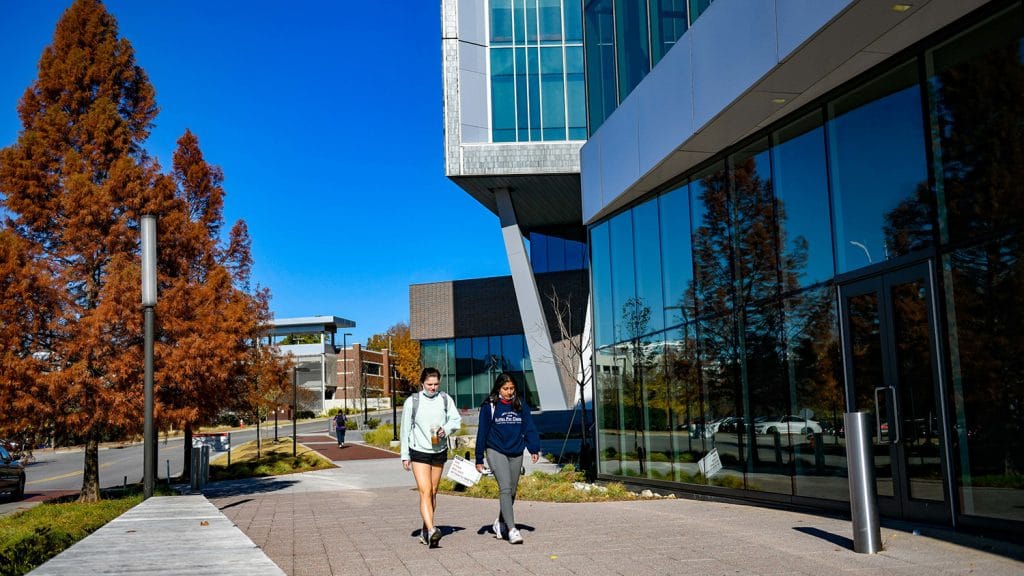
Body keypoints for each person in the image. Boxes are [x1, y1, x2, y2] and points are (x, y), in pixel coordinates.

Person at [475, 373, 540, 545]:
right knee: (505, 487)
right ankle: (512, 529)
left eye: (512, 388)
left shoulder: (520, 405)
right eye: (505, 389)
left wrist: (533, 447)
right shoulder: (490, 406)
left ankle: (499, 522)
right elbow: (482, 431)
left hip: (516, 451)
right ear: (498, 388)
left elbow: (529, 427)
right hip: (495, 449)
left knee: (511, 491)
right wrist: (479, 457)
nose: (509, 392)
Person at [401, 367, 461, 548]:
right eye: (429, 384)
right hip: (419, 450)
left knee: (433, 492)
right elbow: (405, 430)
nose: (433, 388)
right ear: (422, 383)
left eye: (436, 384)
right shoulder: (412, 402)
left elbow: (455, 420)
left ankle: (426, 530)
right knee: (425, 491)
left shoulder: (445, 399)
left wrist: (446, 429)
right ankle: (433, 529)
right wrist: (405, 455)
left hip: (439, 450)